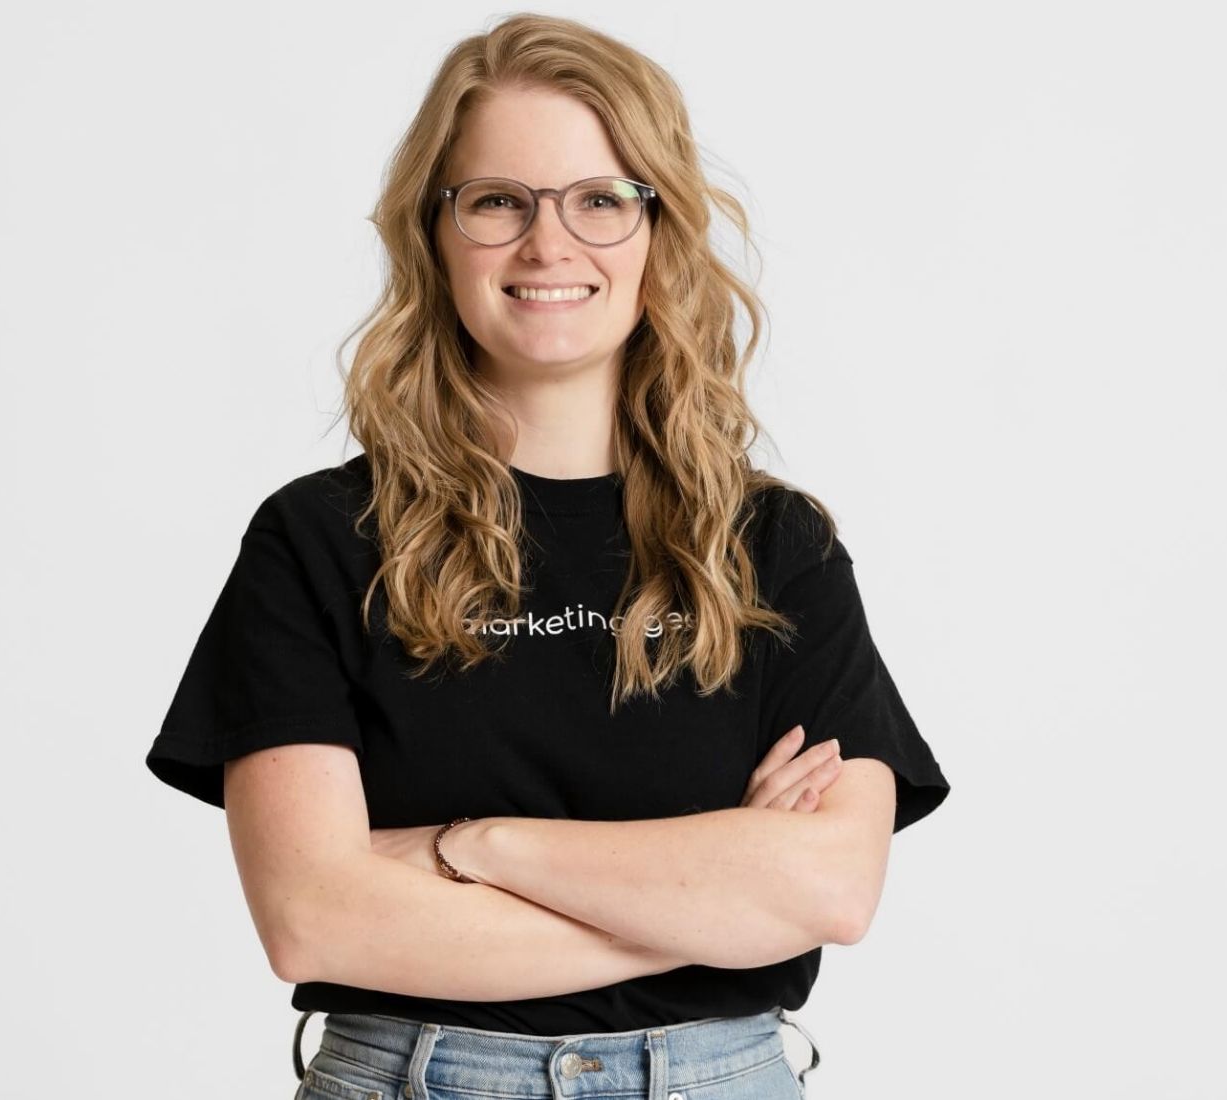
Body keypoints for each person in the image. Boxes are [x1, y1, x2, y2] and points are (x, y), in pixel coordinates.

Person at [145, 13, 951, 1100]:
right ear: (434, 232)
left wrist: (479, 846)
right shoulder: (317, 540)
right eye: (497, 201)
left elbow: (832, 886)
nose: (547, 245)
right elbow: (313, 918)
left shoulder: (773, 546)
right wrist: (712, 902)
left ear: (659, 232)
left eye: (599, 200)